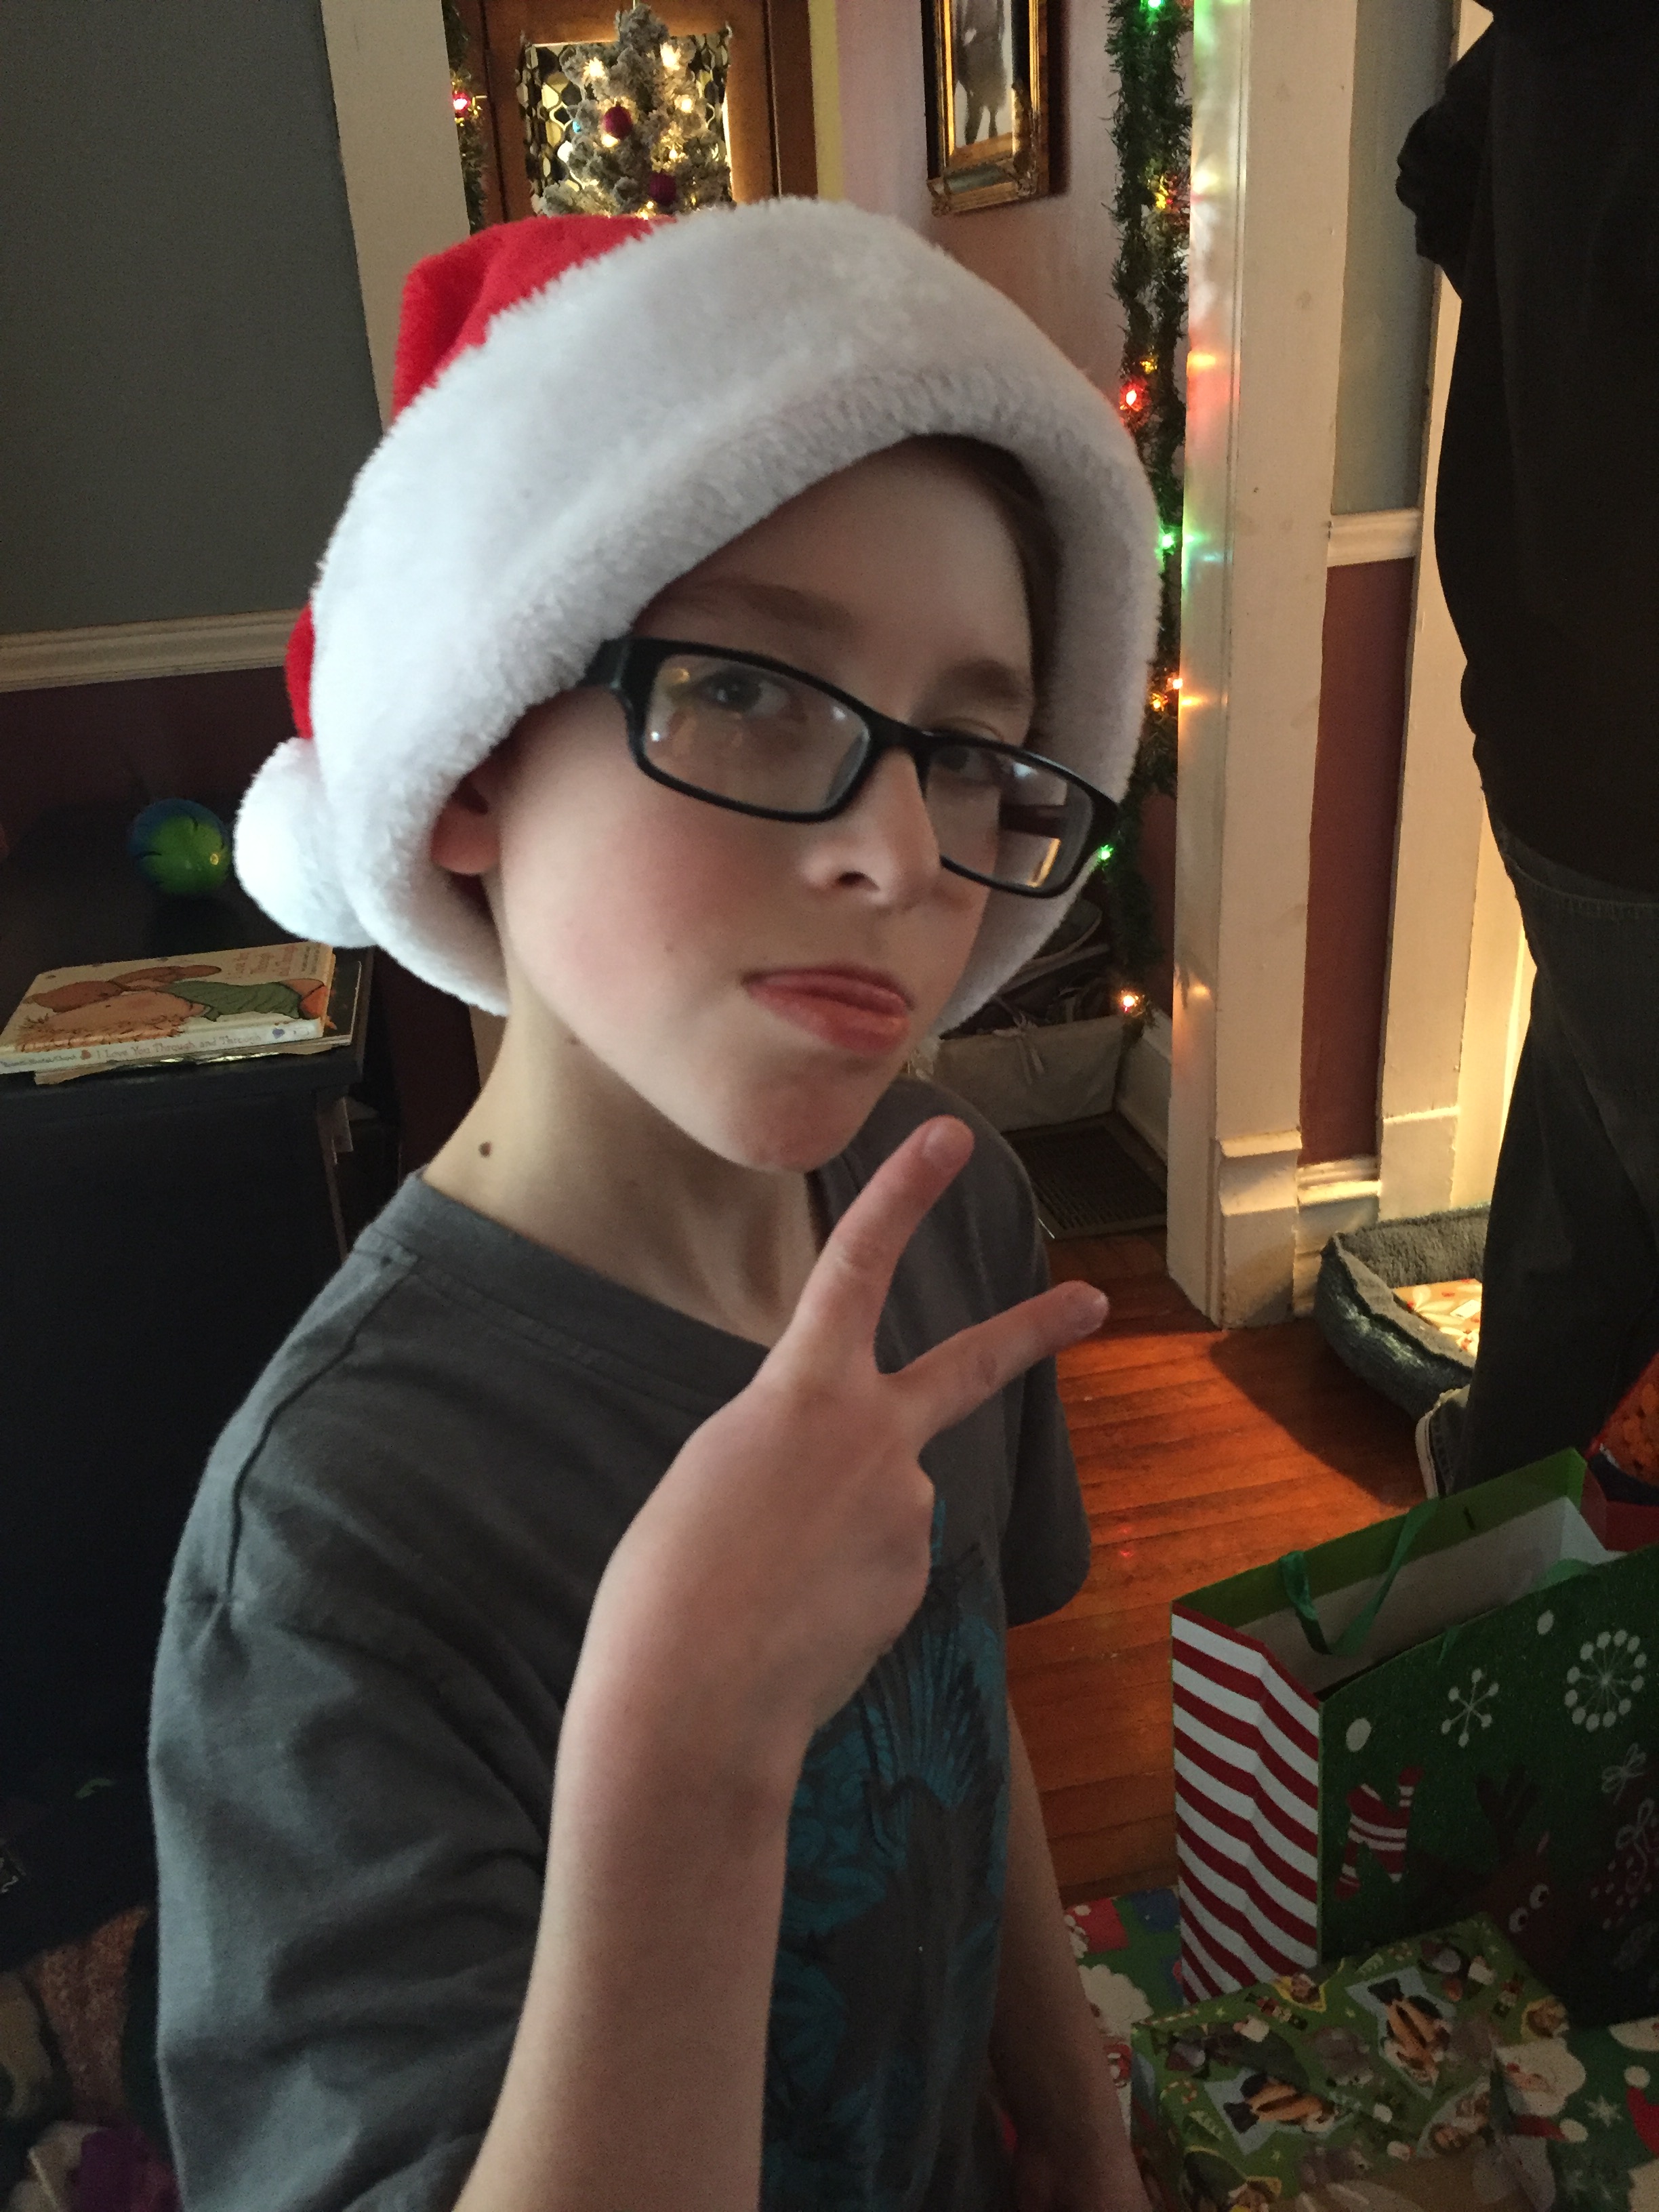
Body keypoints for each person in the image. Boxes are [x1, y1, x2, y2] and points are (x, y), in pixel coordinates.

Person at [148, 202, 1159, 2212]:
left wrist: (1074, 2122)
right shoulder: (330, 1546)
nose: (903, 854)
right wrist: (688, 1745)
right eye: (755, 691)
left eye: (973, 751)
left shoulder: (948, 1221)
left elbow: (970, 1729)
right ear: (468, 764)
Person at [1397, 0, 1659, 1496]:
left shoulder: (1561, 45)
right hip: (1616, 771)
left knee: (1584, 1183)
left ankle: (1495, 1519)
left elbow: (1439, 168)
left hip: (1556, 739)